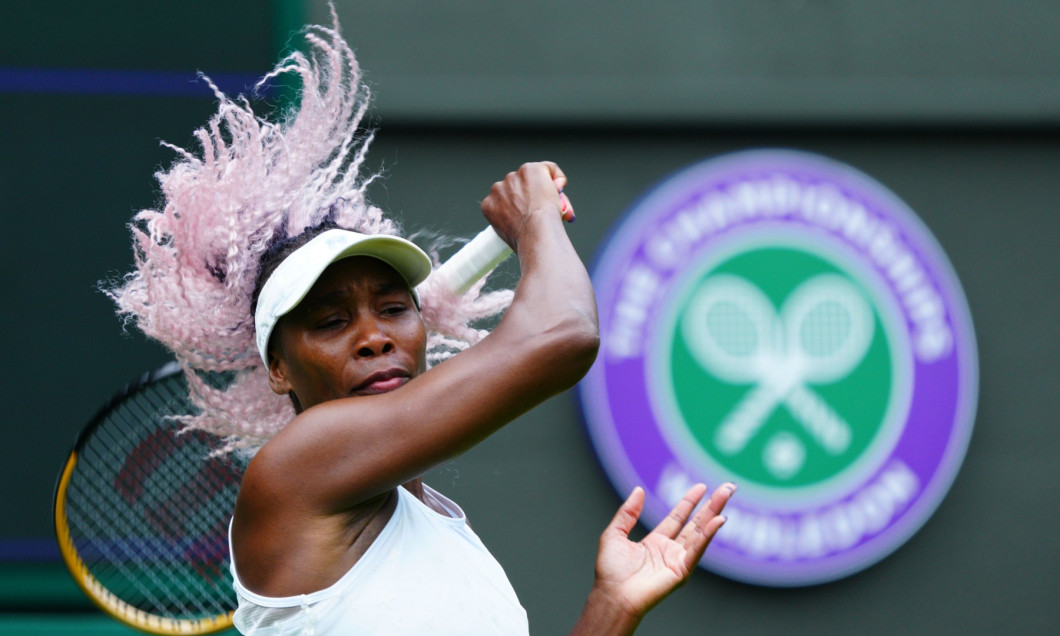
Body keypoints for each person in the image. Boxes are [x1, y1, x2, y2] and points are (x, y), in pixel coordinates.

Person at [108, 10, 734, 635]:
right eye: (330, 321)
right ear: (278, 367)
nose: (375, 336)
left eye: (393, 308)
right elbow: (563, 334)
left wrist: (611, 608)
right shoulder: (298, 466)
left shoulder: (440, 528)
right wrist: (535, 216)